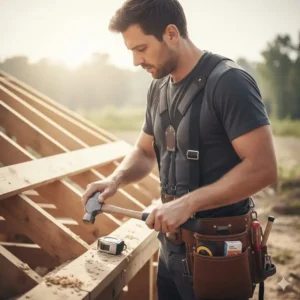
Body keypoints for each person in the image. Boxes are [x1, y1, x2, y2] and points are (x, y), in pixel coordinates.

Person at [81, 1, 277, 299]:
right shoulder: (158, 87)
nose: (136, 61)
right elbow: (145, 151)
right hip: (170, 248)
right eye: (131, 50)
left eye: (141, 48)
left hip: (218, 252)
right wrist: (115, 180)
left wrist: (188, 203)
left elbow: (263, 169)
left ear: (171, 33)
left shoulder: (229, 82)